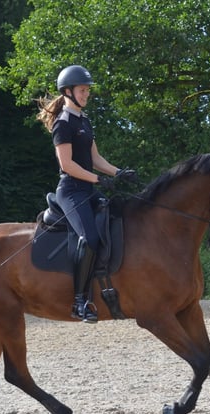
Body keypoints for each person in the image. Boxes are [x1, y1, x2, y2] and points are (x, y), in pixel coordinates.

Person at [37, 65, 135, 323]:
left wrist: (118, 173)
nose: (86, 94)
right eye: (82, 90)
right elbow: (67, 165)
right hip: (70, 191)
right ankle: (79, 302)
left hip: (88, 189)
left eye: (88, 90)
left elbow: (95, 158)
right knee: (89, 238)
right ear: (68, 91)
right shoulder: (63, 123)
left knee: (117, 219)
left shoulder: (84, 120)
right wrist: (98, 179)